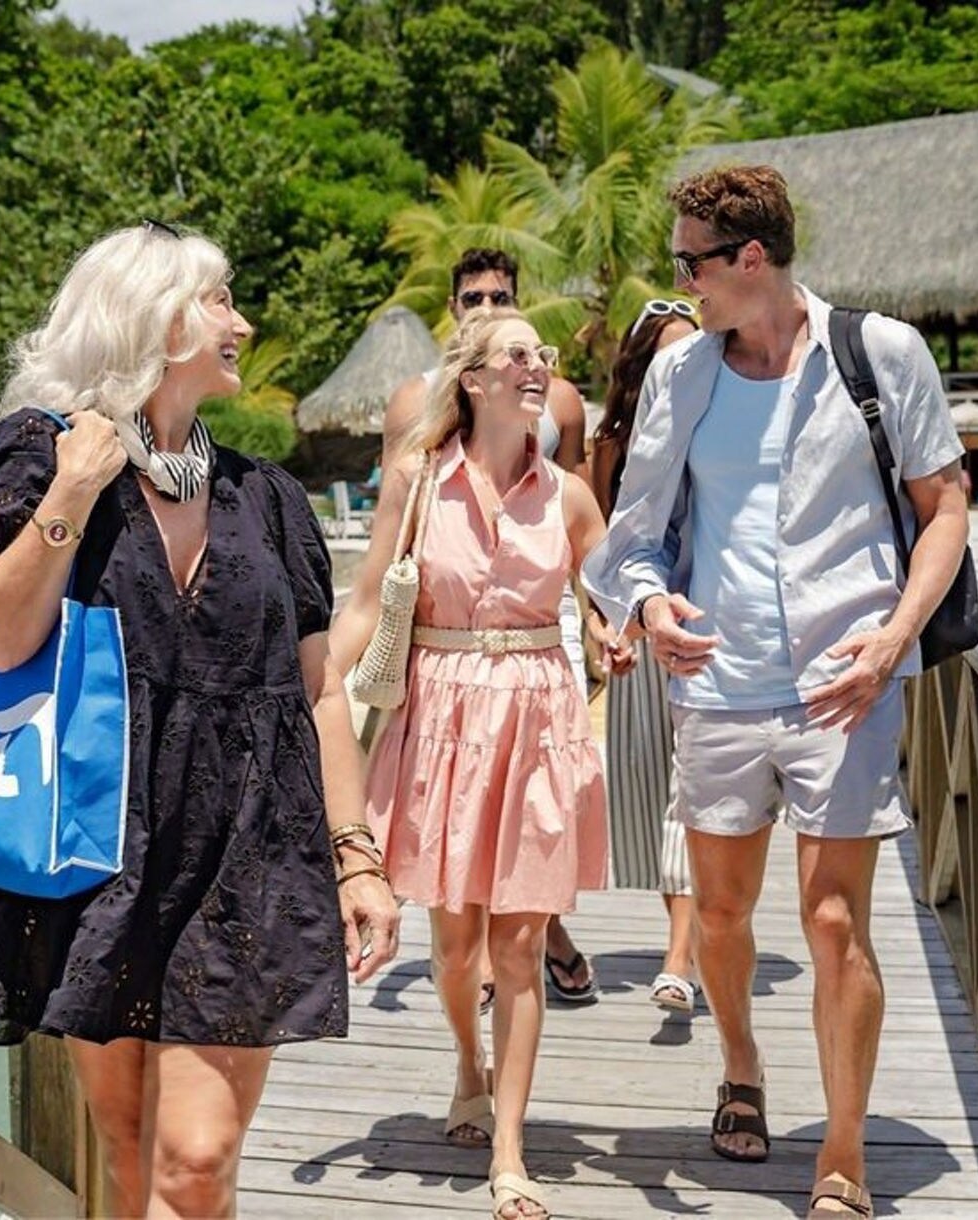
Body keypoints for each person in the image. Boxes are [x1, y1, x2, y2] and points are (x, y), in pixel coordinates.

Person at [0, 221, 399, 1218]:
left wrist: (354, 853)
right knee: (129, 1141)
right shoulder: (41, 454)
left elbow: (317, 692)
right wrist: (73, 490)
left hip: (245, 850)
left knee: (194, 1155)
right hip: (99, 847)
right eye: (218, 300)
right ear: (149, 317)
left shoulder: (265, 498)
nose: (242, 321)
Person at [582, 166, 968, 1220]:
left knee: (834, 919)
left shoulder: (877, 352)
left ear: (748, 259)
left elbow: (943, 507)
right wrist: (650, 603)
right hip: (713, 687)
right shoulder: (678, 378)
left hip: (843, 685)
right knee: (717, 911)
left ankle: (839, 1150)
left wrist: (893, 638)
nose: (679, 282)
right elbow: (636, 532)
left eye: (689, 262)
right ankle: (739, 1066)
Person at [332, 307, 630, 1220]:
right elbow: (361, 600)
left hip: (541, 724)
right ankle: (468, 1059)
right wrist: (312, 677)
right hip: (442, 724)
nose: (538, 366)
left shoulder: (570, 495)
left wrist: (611, 629)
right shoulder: (418, 481)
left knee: (520, 949)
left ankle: (510, 1152)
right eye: (518, 355)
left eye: (543, 355)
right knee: (457, 951)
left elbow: (613, 590)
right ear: (473, 379)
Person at [383, 247, 599, 1006]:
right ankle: (488, 963)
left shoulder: (560, 399)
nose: (484, 304)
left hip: (543, 621)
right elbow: (399, 530)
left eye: (499, 295)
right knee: (463, 841)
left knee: (529, 823)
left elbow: (572, 503)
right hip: (450, 639)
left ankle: (532, 935)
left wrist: (602, 618)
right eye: (472, 296)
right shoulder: (413, 403)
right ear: (453, 307)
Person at [589, 299, 700, 1014]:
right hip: (637, 627)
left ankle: (682, 956)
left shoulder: (723, 425)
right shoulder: (614, 441)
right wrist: (611, 626)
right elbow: (599, 546)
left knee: (692, 793)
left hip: (708, 628)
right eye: (670, 353)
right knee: (649, 789)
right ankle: (685, 942)